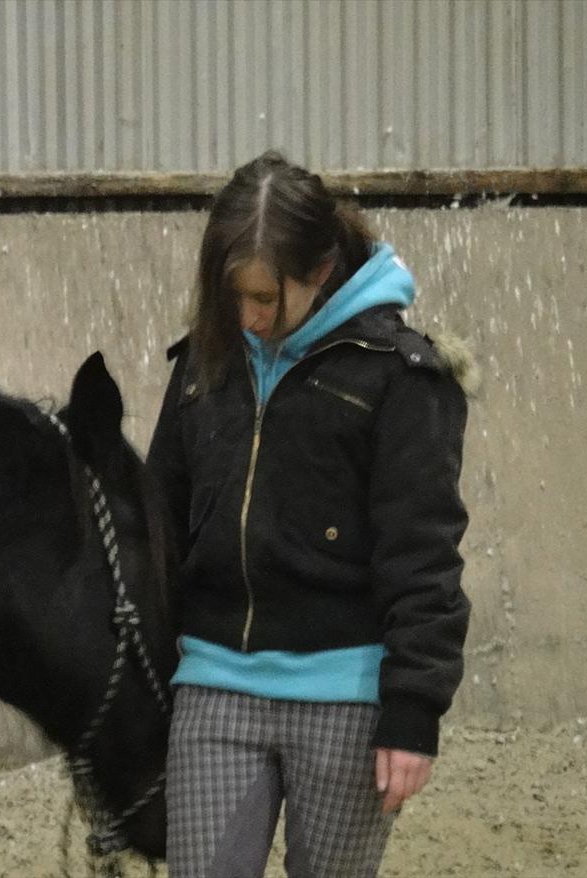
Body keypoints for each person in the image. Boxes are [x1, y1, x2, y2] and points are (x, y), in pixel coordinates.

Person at [147, 151, 474, 878]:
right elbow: (161, 520)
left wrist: (413, 714)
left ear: (321, 270)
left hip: (346, 699)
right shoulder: (204, 364)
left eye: (267, 297)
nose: (248, 317)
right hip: (214, 687)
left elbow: (424, 555)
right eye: (233, 295)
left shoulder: (401, 378)